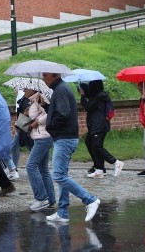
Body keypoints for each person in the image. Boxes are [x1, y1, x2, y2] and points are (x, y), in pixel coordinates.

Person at [40, 71, 100, 223]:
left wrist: (50, 127)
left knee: (59, 175)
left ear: (55, 75)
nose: (43, 78)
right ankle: (62, 212)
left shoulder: (60, 89)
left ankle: (90, 200)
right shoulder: (60, 89)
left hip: (65, 138)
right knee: (62, 176)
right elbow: (61, 112)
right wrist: (47, 106)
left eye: (45, 75)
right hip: (65, 137)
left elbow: (63, 114)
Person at [79, 80, 124, 178]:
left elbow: (88, 106)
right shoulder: (97, 96)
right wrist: (83, 88)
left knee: (96, 146)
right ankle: (99, 169)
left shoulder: (100, 97)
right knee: (89, 143)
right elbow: (90, 98)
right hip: (95, 125)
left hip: (99, 125)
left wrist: (82, 96)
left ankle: (116, 162)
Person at [24, 87, 56, 212]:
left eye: (26, 88)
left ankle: (41, 198)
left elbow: (50, 113)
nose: (23, 90)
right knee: (43, 169)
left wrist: (38, 120)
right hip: (41, 137)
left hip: (43, 138)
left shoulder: (40, 97)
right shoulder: (33, 100)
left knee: (30, 166)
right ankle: (50, 199)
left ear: (32, 89)